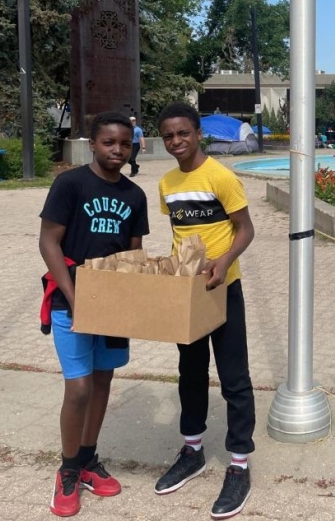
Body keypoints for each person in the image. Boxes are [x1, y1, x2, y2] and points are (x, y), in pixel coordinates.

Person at [39, 112, 150, 517]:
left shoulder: (135, 196)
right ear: (93, 143)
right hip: (70, 300)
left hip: (113, 303)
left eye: (124, 144)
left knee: (103, 382)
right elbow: (49, 242)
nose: (118, 150)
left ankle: (87, 460)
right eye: (109, 143)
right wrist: (72, 294)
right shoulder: (70, 184)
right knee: (80, 388)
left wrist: (138, 299)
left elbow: (134, 253)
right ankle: (67, 471)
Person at [154, 102, 256, 520]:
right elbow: (178, 233)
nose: (176, 142)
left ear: (199, 133)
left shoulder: (221, 177)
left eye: (183, 133)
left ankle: (238, 465)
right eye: (169, 136)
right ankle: (192, 450)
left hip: (223, 289)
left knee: (233, 377)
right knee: (190, 373)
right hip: (187, 290)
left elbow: (246, 229)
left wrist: (225, 259)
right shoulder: (166, 184)